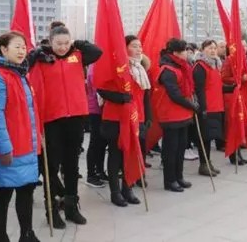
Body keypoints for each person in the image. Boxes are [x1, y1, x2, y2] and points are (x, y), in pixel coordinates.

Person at [29, 24, 102, 228]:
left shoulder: (78, 56)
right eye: (58, 43)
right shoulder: (42, 60)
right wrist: (36, 53)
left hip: (76, 117)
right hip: (52, 120)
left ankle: (71, 206)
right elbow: (34, 89)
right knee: (51, 166)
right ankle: (51, 208)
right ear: (50, 42)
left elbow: (97, 52)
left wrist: (78, 43)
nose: (62, 47)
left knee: (72, 164)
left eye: (66, 42)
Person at [0, 31, 41, 242]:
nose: (21, 51)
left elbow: (29, 111)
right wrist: (4, 148)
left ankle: (27, 233)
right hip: (8, 149)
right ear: (4, 50)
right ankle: (2, 238)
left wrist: (38, 137)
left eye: (24, 47)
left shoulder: (20, 74)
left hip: (27, 145)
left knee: (26, 192)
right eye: (16, 47)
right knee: (3, 195)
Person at [97, 35, 150, 207]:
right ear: (124, 47)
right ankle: (115, 191)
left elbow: (145, 95)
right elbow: (101, 88)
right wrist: (120, 97)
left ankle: (128, 188)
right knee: (116, 154)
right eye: (134, 46)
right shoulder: (116, 67)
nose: (139, 49)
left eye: (140, 46)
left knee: (132, 154)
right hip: (115, 118)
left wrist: (147, 116)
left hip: (136, 117)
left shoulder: (141, 68)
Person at [157, 38, 198, 192]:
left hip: (183, 114)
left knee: (181, 147)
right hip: (170, 114)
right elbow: (174, 94)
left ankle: (179, 176)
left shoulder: (182, 67)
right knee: (171, 149)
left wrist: (194, 102)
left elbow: (188, 89)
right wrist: (191, 105)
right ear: (175, 53)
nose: (186, 54)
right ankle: (170, 180)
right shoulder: (167, 69)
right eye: (183, 52)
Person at [193, 40, 229, 176]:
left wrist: (232, 88)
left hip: (217, 106)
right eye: (209, 48)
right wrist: (203, 108)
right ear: (202, 49)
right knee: (205, 138)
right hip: (207, 108)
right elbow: (199, 90)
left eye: (214, 48)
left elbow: (218, 86)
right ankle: (203, 164)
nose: (213, 50)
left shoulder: (215, 65)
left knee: (211, 136)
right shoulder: (200, 67)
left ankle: (208, 161)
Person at [85, 65, 108, 188]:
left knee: (102, 142)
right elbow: (98, 88)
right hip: (95, 109)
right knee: (95, 142)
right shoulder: (94, 68)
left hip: (104, 110)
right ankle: (91, 174)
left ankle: (100, 170)